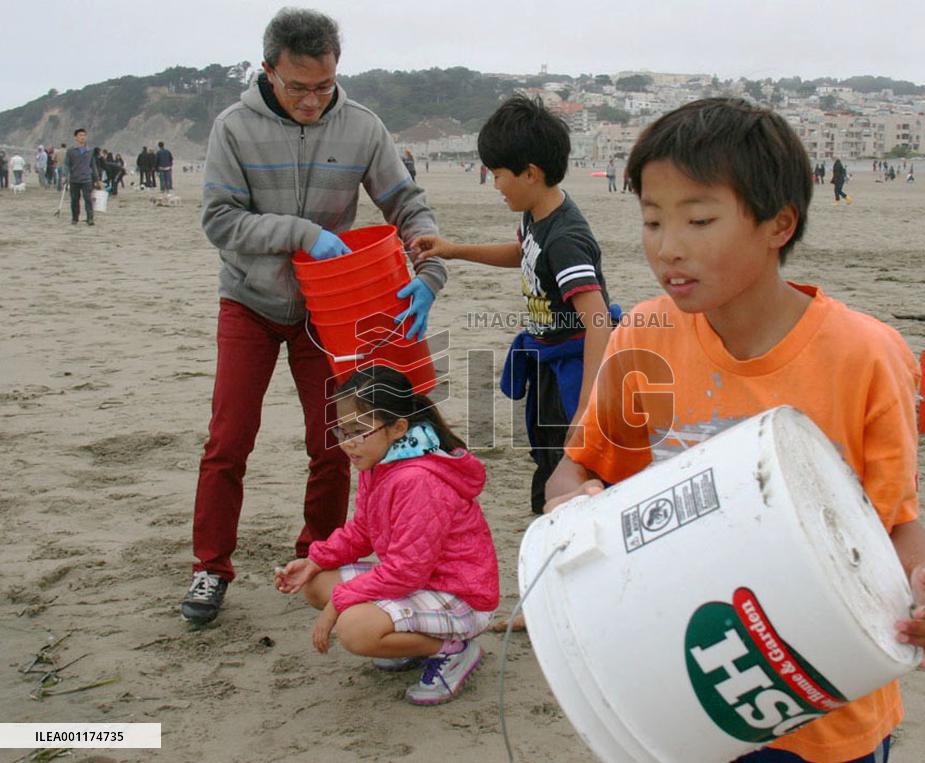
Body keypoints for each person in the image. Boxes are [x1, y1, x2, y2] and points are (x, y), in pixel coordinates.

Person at [545, 97, 925, 763]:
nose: (667, 246)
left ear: (778, 224)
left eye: (699, 219)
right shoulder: (644, 335)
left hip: (823, 697)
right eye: (652, 219)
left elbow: (894, 522)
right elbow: (579, 469)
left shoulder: (867, 356)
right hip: (684, 680)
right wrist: (569, 508)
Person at [182, 7, 447, 625]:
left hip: (326, 312)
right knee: (228, 440)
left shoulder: (361, 126)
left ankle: (319, 558)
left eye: (324, 85)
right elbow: (218, 220)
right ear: (269, 70)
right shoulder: (232, 128)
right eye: (298, 86)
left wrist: (430, 273)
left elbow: (407, 202)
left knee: (334, 441)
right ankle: (209, 569)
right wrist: (300, 232)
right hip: (247, 302)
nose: (312, 99)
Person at [413, 94, 616, 514]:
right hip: (547, 359)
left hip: (576, 367)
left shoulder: (565, 240)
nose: (494, 183)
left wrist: (585, 407)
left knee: (574, 473)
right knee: (545, 459)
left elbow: (598, 321)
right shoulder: (536, 215)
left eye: (498, 174)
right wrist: (452, 250)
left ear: (530, 173)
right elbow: (523, 254)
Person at [274, 366, 498, 705]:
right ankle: (412, 640)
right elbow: (363, 531)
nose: (348, 443)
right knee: (317, 582)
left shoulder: (417, 479)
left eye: (359, 431)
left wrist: (341, 601)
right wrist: (315, 560)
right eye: (342, 431)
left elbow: (406, 571)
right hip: (421, 582)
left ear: (398, 427)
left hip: (460, 595)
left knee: (354, 628)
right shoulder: (379, 460)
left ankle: (453, 650)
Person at [63, 129, 99, 225]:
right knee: (75, 200)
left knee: (88, 199)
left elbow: (93, 165)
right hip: (74, 179)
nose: (82, 137)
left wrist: (97, 179)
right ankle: (75, 218)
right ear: (76, 137)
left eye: (84, 135)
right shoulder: (71, 151)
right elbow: (66, 164)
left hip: (87, 179)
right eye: (80, 135)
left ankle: (90, 218)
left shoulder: (90, 151)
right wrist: (65, 176)